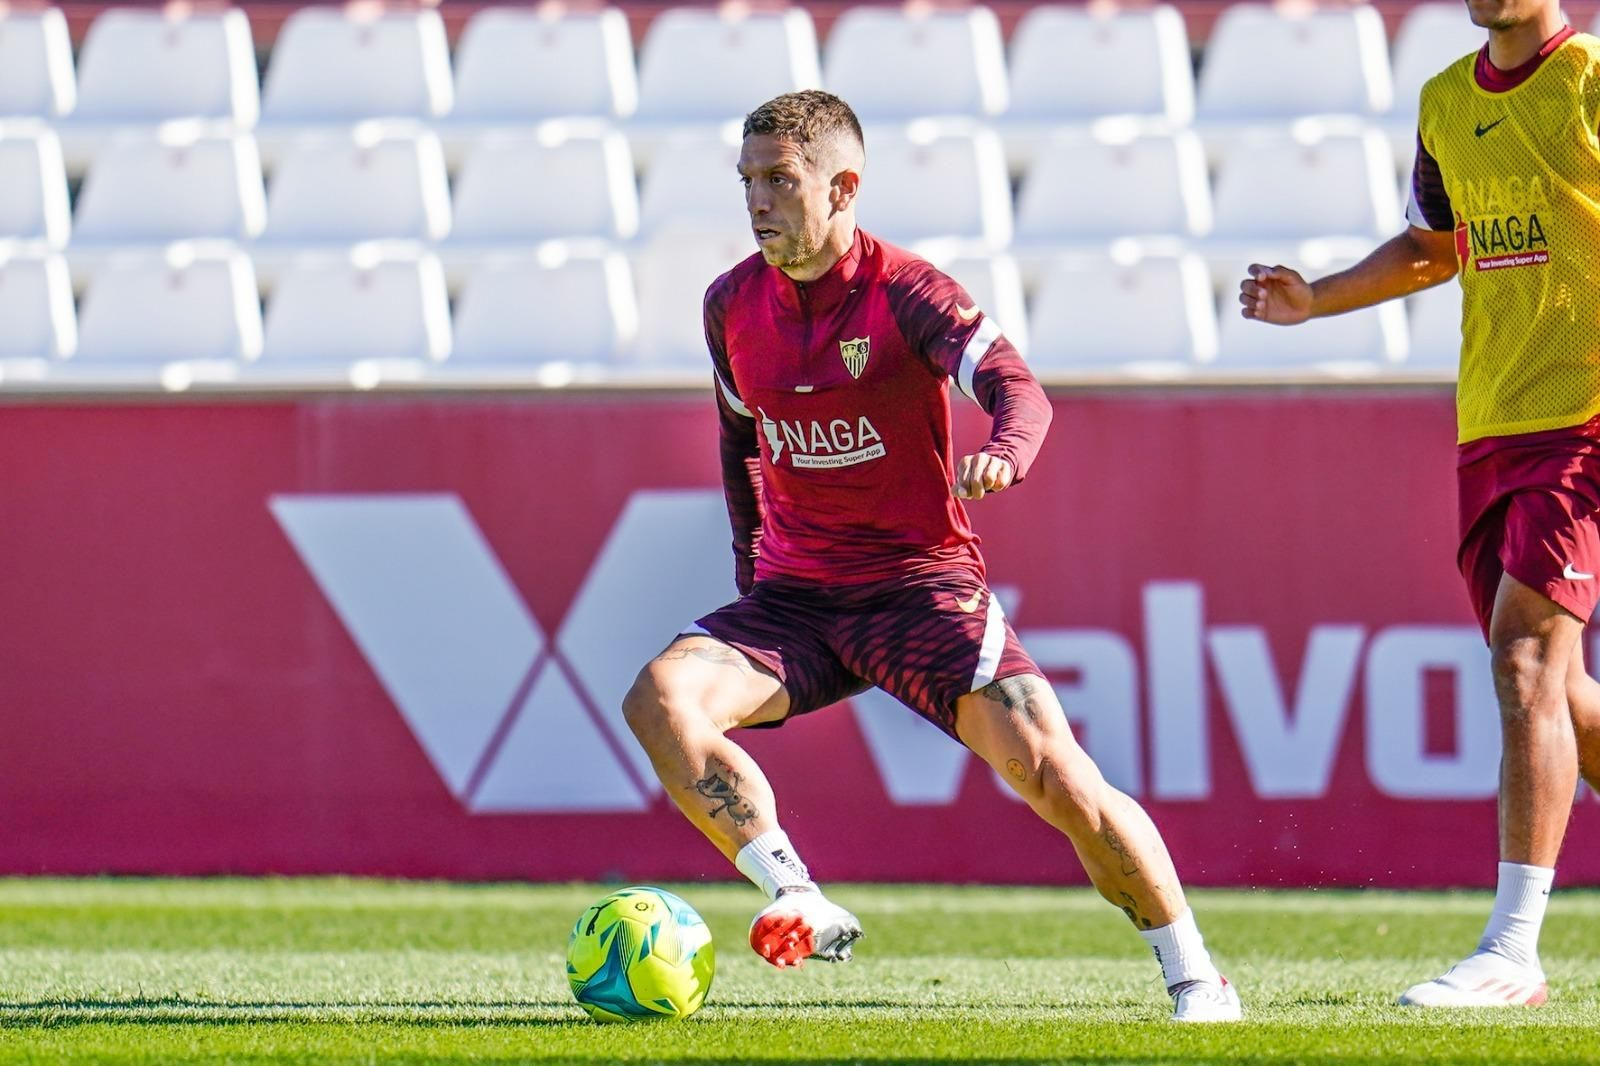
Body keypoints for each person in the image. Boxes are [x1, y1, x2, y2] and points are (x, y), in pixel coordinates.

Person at [622, 90, 1241, 1023]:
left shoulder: (907, 290)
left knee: (1058, 779)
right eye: (747, 181)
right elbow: (739, 441)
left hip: (920, 594)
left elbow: (1016, 385)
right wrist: (752, 566)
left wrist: (1007, 448)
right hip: (798, 602)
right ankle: (795, 892)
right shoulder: (729, 305)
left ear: (843, 187)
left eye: (780, 180)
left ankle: (1195, 972)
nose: (758, 200)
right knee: (660, 701)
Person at [1238, 0, 1600, 1008]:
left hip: (1585, 416)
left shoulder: (1591, 83)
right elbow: (1435, 246)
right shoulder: (1446, 101)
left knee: (1523, 653)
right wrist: (1317, 298)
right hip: (1492, 422)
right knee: (1556, 694)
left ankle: (1511, 948)